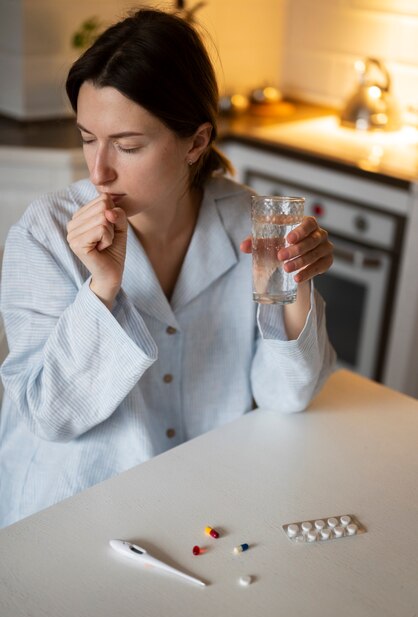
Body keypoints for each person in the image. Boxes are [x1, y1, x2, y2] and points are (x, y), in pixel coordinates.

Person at [0, 8, 335, 528]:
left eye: (128, 146)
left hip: (204, 504)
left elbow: (286, 396)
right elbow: (51, 415)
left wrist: (297, 287)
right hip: (67, 513)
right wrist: (103, 287)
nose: (98, 170)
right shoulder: (43, 234)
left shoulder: (257, 225)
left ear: (196, 142)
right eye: (88, 137)